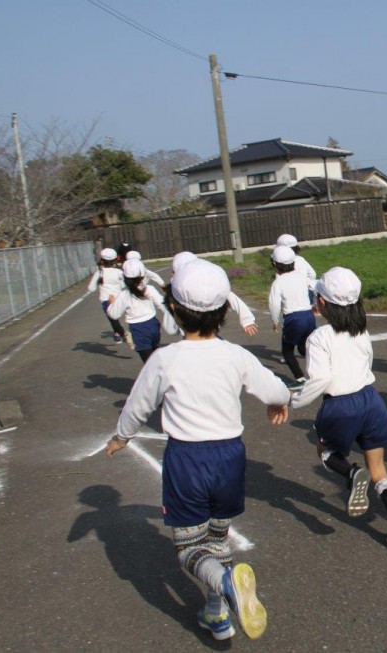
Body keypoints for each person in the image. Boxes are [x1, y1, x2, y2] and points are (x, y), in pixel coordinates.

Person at [105, 259, 291, 641]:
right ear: (224, 311)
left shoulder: (164, 359)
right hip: (230, 457)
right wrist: (280, 401)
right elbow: (276, 389)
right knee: (218, 540)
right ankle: (217, 614)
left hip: (187, 459)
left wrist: (122, 437)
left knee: (189, 547)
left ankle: (225, 587)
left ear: (172, 308)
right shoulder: (235, 355)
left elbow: (137, 406)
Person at [290, 267, 387, 549]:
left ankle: (349, 473)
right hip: (370, 400)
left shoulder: (319, 337)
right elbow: (367, 362)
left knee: (325, 450)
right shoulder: (362, 331)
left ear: (321, 302)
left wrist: (293, 401)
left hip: (339, 405)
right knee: (379, 470)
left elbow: (320, 379)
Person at [170, 252, 257, 336]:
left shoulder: (181, 287)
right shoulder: (178, 286)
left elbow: (231, 298)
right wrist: (247, 320)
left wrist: (247, 320)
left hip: (201, 331)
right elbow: (232, 298)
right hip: (206, 331)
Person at [269, 245, 316, 388]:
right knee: (304, 348)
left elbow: (274, 304)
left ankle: (300, 379)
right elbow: (315, 286)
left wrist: (275, 321)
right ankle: (322, 373)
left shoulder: (278, 283)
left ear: (275, 265)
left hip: (293, 319)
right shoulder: (301, 277)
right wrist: (315, 304)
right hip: (309, 316)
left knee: (287, 351)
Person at [107, 260, 169, 363]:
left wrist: (111, 304)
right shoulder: (150, 289)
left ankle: (163, 376)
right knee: (154, 358)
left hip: (139, 330)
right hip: (154, 325)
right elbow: (164, 307)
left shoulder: (124, 295)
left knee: (150, 365)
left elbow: (113, 314)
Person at [86, 247, 128, 345]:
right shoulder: (119, 272)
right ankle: (118, 334)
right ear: (115, 260)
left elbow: (91, 288)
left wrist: (99, 283)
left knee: (113, 319)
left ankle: (123, 335)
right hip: (119, 298)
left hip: (106, 300)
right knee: (119, 316)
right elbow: (123, 285)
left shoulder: (99, 273)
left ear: (102, 260)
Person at [276, 234, 316, 302]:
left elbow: (278, 282)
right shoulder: (301, 259)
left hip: (289, 296)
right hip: (306, 293)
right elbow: (313, 275)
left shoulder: (280, 264)